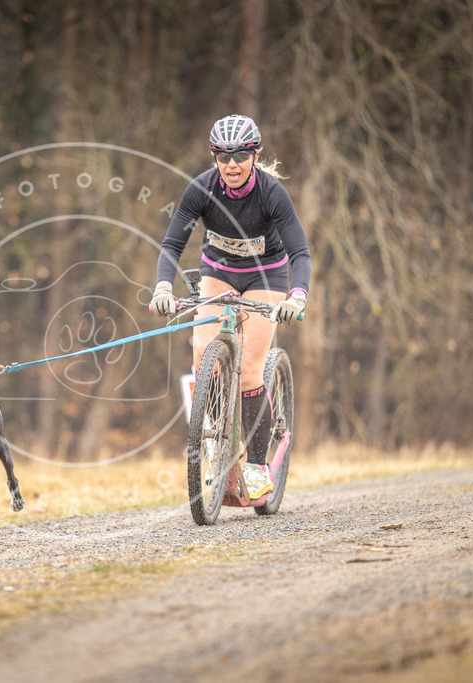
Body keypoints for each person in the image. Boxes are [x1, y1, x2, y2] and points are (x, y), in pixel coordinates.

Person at [149, 114, 311, 500]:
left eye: (239, 155)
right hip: (218, 274)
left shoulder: (272, 194)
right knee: (203, 351)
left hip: (264, 278)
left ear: (254, 154)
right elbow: (171, 245)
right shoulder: (201, 190)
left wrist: (297, 296)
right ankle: (218, 433)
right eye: (223, 156)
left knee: (251, 371)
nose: (232, 164)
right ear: (214, 156)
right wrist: (160, 288)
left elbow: (300, 252)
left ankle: (256, 465)